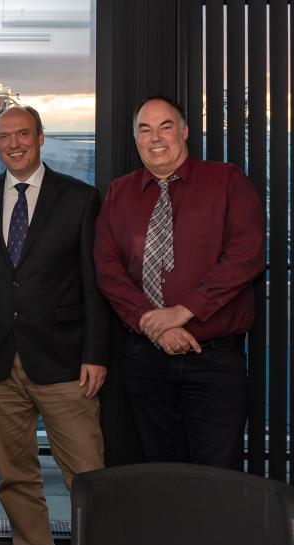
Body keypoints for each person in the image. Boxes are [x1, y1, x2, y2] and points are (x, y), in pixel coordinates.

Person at [0, 105, 108, 545]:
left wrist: (95, 352)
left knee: (86, 475)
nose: (14, 143)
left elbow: (94, 284)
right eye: (4, 136)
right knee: (15, 474)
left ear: (41, 138)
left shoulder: (80, 198)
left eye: (23, 133)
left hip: (65, 360)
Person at [94, 95, 264, 470]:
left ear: (184, 132)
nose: (155, 137)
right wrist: (153, 323)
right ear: (136, 139)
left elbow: (246, 255)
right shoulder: (119, 193)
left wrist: (182, 312)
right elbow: (108, 269)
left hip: (213, 359)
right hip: (145, 359)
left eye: (165, 126)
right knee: (160, 473)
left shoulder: (227, 181)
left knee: (217, 475)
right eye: (145, 129)